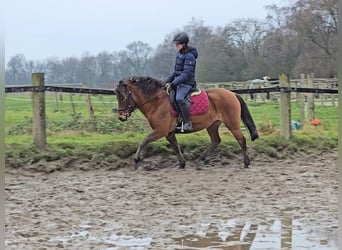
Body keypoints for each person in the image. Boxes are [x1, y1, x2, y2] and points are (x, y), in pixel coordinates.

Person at [165, 32, 198, 132]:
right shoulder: (179, 54)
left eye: (177, 44)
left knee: (179, 98)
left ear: (183, 44)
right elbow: (176, 72)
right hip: (179, 82)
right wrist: (166, 81)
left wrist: (174, 83)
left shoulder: (190, 56)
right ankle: (175, 119)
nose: (176, 46)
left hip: (187, 83)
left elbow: (186, 73)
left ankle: (187, 122)